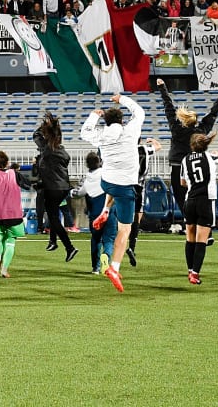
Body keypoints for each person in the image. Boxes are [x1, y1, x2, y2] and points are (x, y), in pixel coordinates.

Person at [80, 94, 143, 292]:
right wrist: (121, 99)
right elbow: (139, 112)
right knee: (125, 230)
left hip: (106, 183)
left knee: (112, 188)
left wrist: (93, 115)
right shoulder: (130, 130)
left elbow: (84, 132)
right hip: (124, 186)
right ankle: (114, 267)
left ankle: (105, 210)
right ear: (122, 120)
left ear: (106, 121)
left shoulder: (101, 135)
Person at [156, 78, 218, 233]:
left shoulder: (176, 129)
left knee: (182, 200)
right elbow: (214, 111)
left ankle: (190, 226)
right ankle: (203, 228)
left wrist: (162, 87)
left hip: (178, 168)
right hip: (197, 168)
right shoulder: (201, 130)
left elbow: (168, 107)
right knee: (198, 197)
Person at [33, 112, 78, 264]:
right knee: (53, 213)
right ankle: (53, 241)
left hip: (52, 188)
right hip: (64, 187)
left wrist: (44, 126)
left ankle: (69, 247)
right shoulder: (62, 151)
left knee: (53, 217)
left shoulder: (46, 148)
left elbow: (35, 135)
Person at [0, 151, 32, 278]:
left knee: (2, 236)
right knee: (11, 240)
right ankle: (4, 269)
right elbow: (27, 186)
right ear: (8, 163)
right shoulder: (15, 173)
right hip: (13, 212)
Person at [180, 133, 218, 284]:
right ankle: (195, 273)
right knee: (201, 240)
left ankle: (189, 270)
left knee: (190, 238)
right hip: (205, 200)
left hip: (189, 200)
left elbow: (183, 182)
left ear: (191, 145)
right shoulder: (210, 157)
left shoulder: (185, 160)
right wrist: (217, 153)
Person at [71, 151, 117, 275]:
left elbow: (77, 193)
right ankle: (106, 257)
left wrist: (69, 192)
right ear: (99, 162)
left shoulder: (86, 179)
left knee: (96, 239)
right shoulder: (106, 174)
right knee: (109, 239)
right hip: (108, 212)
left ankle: (95, 268)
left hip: (94, 214)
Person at [128, 136, 162, 267]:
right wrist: (153, 140)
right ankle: (132, 247)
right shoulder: (145, 149)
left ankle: (117, 245)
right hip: (140, 186)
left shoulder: (126, 150)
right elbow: (159, 146)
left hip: (127, 185)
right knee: (137, 217)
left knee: (124, 218)